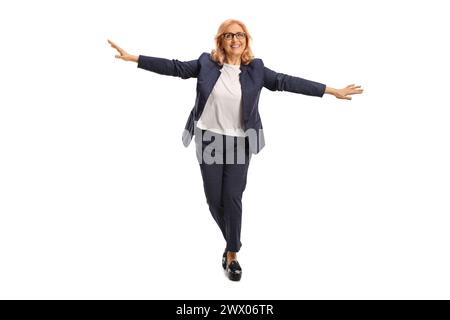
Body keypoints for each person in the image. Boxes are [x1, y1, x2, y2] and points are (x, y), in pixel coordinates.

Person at [108, 18, 363, 282]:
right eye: (229, 35)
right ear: (221, 41)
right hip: (209, 140)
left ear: (246, 40)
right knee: (213, 200)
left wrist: (331, 90)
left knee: (232, 198)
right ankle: (233, 240)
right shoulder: (206, 63)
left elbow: (288, 82)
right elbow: (174, 67)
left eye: (240, 35)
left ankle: (232, 253)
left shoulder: (257, 69)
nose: (235, 39)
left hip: (240, 142)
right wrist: (134, 58)